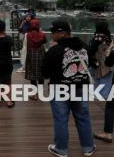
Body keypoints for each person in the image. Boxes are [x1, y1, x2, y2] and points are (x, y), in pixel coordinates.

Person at [42, 19, 96, 157]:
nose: (51, 34)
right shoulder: (84, 46)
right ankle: (88, 147)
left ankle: (61, 149)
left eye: (53, 32)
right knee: (83, 117)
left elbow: (45, 74)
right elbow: (90, 63)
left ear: (61, 33)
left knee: (61, 119)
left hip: (60, 89)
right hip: (80, 87)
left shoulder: (54, 51)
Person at [88, 22, 113, 99]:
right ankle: (104, 95)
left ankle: (96, 94)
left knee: (96, 78)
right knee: (106, 79)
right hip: (105, 61)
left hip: (96, 61)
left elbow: (91, 50)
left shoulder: (95, 37)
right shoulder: (106, 38)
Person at [23, 19, 47, 99]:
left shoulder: (28, 35)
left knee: (32, 74)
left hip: (31, 54)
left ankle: (34, 94)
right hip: (41, 53)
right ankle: (40, 93)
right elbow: (44, 42)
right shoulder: (42, 34)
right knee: (41, 74)